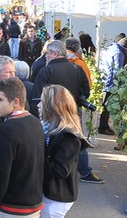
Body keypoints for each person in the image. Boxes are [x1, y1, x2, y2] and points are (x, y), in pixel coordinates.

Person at [31, 41, 104, 184]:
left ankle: (51, 169)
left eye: (47, 54)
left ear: (55, 53)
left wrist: (37, 115)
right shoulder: (77, 68)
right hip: (72, 112)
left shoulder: (46, 71)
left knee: (48, 142)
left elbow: (36, 96)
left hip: (50, 113)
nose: (45, 56)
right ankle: (84, 171)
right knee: (76, 139)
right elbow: (86, 93)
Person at [0, 77, 45, 217]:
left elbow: (0, 174)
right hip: (34, 204)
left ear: (15, 102)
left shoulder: (5, 130)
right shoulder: (36, 123)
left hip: (12, 207)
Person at [39, 85, 92, 218]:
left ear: (52, 106)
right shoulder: (49, 128)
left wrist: (35, 158)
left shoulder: (69, 136)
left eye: (42, 102)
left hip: (56, 196)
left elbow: (60, 170)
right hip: (51, 193)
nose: (38, 105)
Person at [98, 37, 127, 135]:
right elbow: (117, 70)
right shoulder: (119, 53)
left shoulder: (110, 48)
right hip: (111, 83)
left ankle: (104, 126)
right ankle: (103, 127)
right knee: (107, 106)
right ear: (126, 48)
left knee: (105, 105)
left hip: (104, 80)